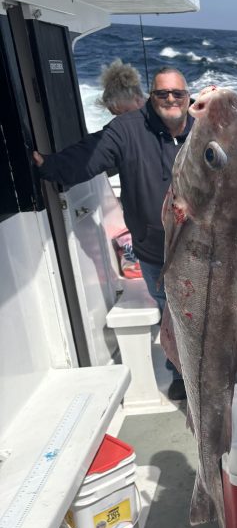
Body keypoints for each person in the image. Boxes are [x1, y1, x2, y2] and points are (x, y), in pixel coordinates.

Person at [33, 66, 193, 401]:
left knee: (204, 312)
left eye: (177, 93)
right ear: (150, 97)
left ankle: (213, 371)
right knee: (171, 314)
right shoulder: (126, 130)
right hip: (155, 254)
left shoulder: (201, 128)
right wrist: (48, 165)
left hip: (199, 251)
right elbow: (90, 154)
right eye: (162, 93)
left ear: (187, 96)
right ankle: (180, 373)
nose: (170, 99)